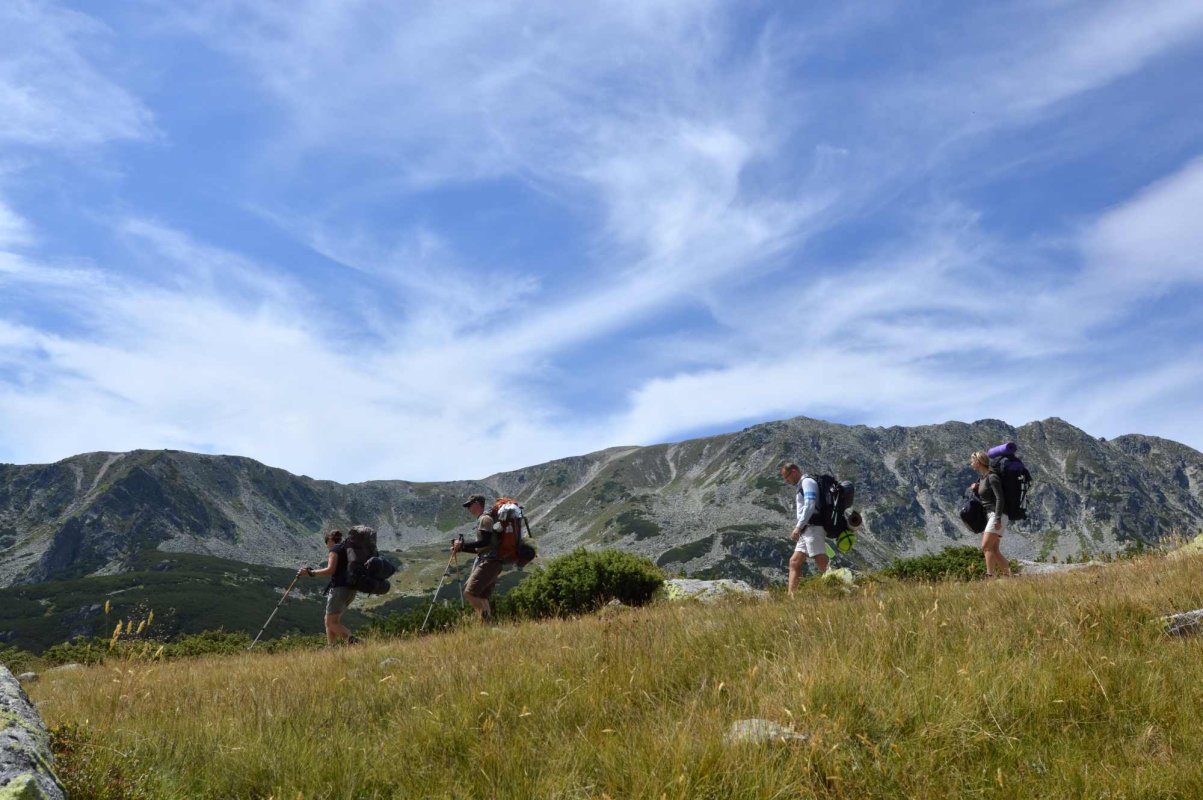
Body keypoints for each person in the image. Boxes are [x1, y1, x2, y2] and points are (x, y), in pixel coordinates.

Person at [298, 529, 362, 645]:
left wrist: (310, 573)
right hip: (351, 589)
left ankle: (355, 642)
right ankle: (332, 649)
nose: (327, 546)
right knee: (332, 621)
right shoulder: (347, 550)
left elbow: (330, 570)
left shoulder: (335, 549)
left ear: (330, 540)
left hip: (339, 589)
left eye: (326, 542)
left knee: (330, 623)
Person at [451, 494, 503, 622]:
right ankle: (488, 627)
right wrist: (461, 548)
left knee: (469, 593)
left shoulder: (484, 519)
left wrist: (462, 544)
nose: (468, 508)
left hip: (488, 561)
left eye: (470, 505)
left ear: (477, 504)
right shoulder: (484, 519)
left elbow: (484, 542)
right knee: (483, 597)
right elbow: (479, 548)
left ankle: (488, 623)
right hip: (492, 561)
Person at [779, 461, 828, 593]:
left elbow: (810, 505)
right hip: (807, 530)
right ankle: (791, 597)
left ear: (794, 471)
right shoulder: (802, 484)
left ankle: (841, 585)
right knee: (794, 562)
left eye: (787, 476)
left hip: (813, 528)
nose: (787, 480)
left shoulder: (807, 482)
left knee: (821, 561)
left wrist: (798, 527)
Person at [970, 451, 1012, 578]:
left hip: (997, 515)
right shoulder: (982, 479)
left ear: (978, 462)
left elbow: (1000, 499)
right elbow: (986, 499)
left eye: (972, 461)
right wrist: (976, 490)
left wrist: (997, 519)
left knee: (986, 546)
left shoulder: (992, 477)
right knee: (993, 549)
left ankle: (990, 576)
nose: (971, 463)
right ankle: (1008, 575)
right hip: (990, 515)